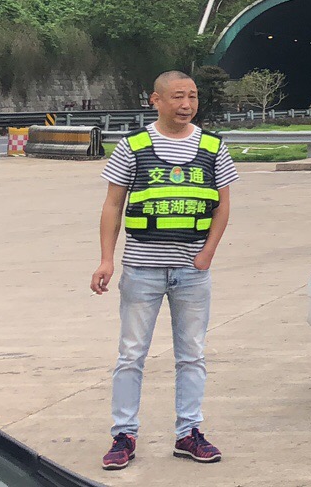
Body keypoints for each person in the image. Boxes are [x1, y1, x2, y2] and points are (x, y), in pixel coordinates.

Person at [90, 70, 236, 471]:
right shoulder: (133, 146)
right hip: (142, 269)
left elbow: (223, 205)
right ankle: (124, 435)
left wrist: (207, 253)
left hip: (192, 272)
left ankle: (189, 433)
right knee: (131, 354)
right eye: (177, 96)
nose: (186, 104)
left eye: (192, 96)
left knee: (192, 354)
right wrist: (107, 259)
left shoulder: (213, 147)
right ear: (155, 100)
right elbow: (113, 205)